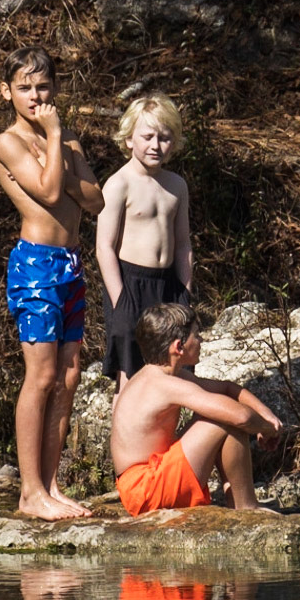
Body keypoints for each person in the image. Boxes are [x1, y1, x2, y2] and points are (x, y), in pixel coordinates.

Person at [0, 45, 104, 520]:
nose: (36, 96)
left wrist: (60, 144)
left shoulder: (68, 139)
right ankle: (30, 491)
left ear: (55, 88)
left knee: (69, 374)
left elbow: (96, 200)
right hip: (36, 265)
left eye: (43, 86)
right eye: (25, 87)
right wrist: (56, 138)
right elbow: (51, 191)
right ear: (7, 92)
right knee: (39, 376)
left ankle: (52, 485)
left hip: (71, 265)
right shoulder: (9, 143)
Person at [110, 303, 283, 516]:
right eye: (196, 336)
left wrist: (267, 415)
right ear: (178, 347)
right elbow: (241, 416)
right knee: (223, 418)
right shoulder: (164, 385)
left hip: (142, 483)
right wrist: (267, 429)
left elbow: (228, 388)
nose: (201, 341)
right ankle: (247, 507)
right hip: (145, 489)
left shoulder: (164, 375)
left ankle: (238, 501)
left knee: (222, 411)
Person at [95, 94, 193, 395]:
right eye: (147, 136)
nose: (155, 145)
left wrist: (186, 291)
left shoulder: (176, 185)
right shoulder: (119, 184)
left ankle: (164, 439)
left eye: (164, 138)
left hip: (168, 284)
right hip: (130, 284)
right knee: (131, 372)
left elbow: (183, 245)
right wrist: (120, 300)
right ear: (128, 139)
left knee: (175, 365)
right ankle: (124, 438)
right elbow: (104, 247)